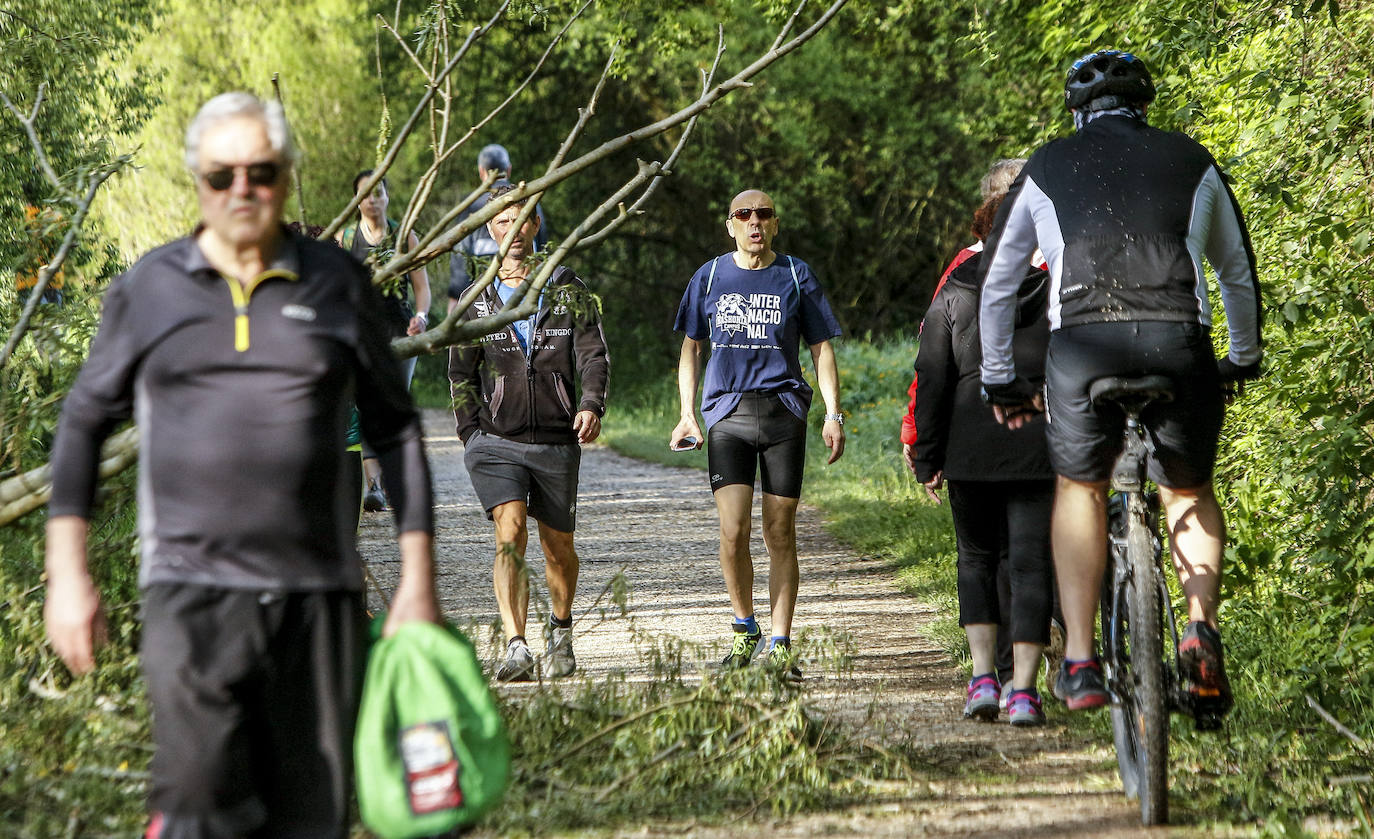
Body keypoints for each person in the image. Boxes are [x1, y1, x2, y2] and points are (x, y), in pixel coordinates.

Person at [44, 92, 440, 837]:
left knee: (311, 816)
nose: (242, 189)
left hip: (316, 596)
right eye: (222, 174)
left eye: (260, 171)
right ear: (197, 179)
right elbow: (83, 423)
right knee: (200, 802)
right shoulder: (150, 289)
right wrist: (68, 574)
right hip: (190, 593)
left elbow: (398, 431)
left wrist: (417, 585)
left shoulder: (338, 283)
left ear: (286, 175)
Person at [977, 50, 1262, 717]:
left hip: (1081, 346)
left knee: (1081, 484)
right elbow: (1236, 275)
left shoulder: (1046, 164)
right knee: (1187, 487)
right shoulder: (1194, 160)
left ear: (1077, 112)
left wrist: (999, 380)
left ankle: (1079, 659)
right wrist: (1241, 357)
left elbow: (998, 281)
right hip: (1177, 342)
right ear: (1145, 105)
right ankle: (1200, 632)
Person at [670, 188, 845, 681]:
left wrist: (834, 413)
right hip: (727, 414)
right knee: (733, 532)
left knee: (780, 530)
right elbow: (691, 349)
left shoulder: (795, 273)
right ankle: (744, 629)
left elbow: (821, 348)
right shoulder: (708, 277)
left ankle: (782, 643)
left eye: (763, 214)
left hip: (783, 413)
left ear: (774, 223)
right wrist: (687, 412)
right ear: (730, 225)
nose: (754, 222)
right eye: (743, 215)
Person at [906, 159, 1056, 726]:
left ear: (983, 229)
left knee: (976, 558)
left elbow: (934, 377)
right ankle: (1025, 690)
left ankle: (981, 681)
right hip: (1038, 442)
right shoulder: (1056, 289)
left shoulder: (956, 291)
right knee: (1028, 562)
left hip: (970, 445)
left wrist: (927, 455)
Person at [448, 183, 608, 682]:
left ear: (536, 226)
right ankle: (516, 646)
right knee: (509, 531)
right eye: (502, 222)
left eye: (522, 220)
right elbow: (460, 373)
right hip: (496, 441)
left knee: (557, 546)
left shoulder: (566, 287)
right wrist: (471, 433)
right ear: (490, 232)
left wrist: (590, 404)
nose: (513, 231)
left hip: (557, 440)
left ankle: (560, 632)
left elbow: (593, 354)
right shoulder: (477, 298)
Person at [337, 170, 431, 512]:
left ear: (387, 197)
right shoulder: (346, 240)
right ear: (357, 200)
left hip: (399, 332)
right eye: (365, 194)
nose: (372, 200)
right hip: (361, 335)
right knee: (362, 405)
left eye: (378, 193)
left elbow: (422, 289)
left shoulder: (404, 236)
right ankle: (374, 484)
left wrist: (421, 317)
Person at [446, 144, 549, 312]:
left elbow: (461, 257)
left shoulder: (471, 208)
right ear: (508, 170)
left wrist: (455, 299)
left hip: (483, 300)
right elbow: (543, 251)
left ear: (481, 171)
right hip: (529, 292)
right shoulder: (527, 201)